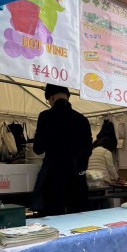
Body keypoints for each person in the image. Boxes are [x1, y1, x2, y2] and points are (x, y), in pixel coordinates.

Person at [32, 84, 93, 216]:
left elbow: (38, 149)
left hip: (53, 177)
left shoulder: (45, 116)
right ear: (68, 96)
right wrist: (80, 169)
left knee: (53, 220)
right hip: (76, 179)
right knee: (78, 221)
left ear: (52, 97)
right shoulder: (82, 119)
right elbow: (88, 149)